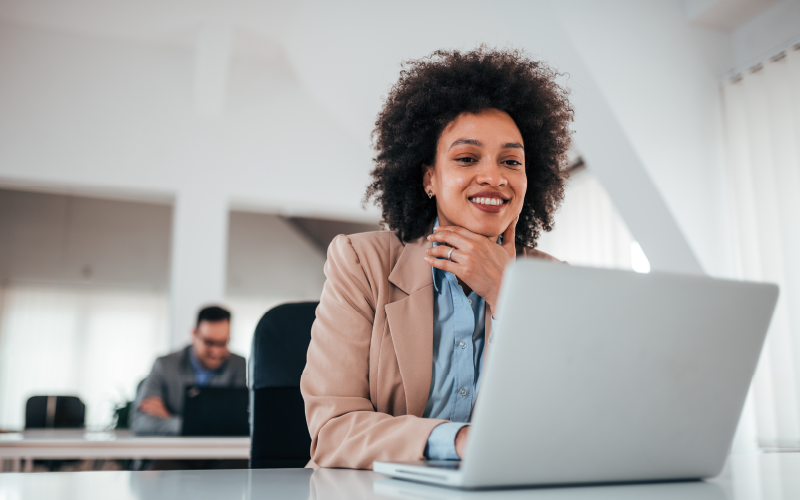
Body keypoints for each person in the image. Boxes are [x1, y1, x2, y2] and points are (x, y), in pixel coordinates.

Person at [300, 47, 573, 469]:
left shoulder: (554, 280)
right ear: (430, 178)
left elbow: (572, 423)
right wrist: (460, 441)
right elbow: (333, 432)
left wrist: (507, 294)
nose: (494, 177)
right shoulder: (361, 263)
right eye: (467, 158)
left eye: (511, 161)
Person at [131, 305, 247, 436]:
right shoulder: (164, 365)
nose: (216, 351)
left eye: (223, 343)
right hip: (173, 453)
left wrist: (171, 419)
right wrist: (188, 424)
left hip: (218, 453)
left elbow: (240, 422)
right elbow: (139, 422)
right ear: (194, 334)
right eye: (209, 342)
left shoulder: (238, 364)